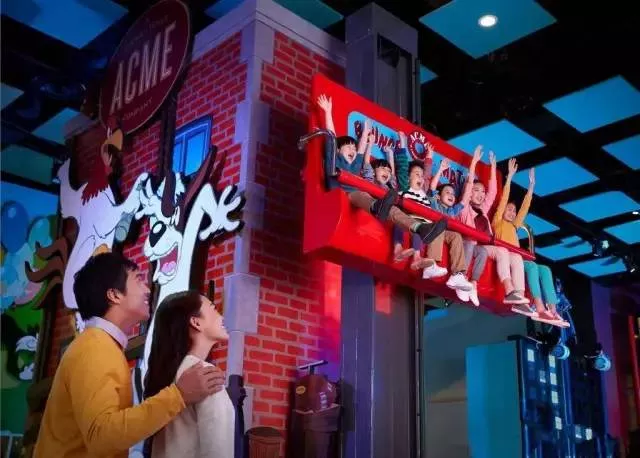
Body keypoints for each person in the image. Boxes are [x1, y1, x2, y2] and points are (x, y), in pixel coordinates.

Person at [34, 253, 225, 458]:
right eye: (138, 279)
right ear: (114, 295)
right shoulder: (95, 347)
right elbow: (101, 436)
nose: (147, 289)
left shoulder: (101, 345)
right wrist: (178, 395)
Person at [316, 94, 446, 245]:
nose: (353, 149)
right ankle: (376, 207)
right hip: (342, 194)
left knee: (392, 210)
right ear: (338, 150)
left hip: (363, 198)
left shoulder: (356, 164)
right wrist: (328, 112)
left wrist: (366, 132)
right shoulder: (334, 160)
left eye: (353, 147)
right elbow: (331, 138)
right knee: (363, 195)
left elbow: (361, 148)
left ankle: (420, 228)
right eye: (348, 147)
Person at [145, 291, 234, 458]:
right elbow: (218, 450)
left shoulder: (169, 375)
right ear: (196, 322)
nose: (221, 317)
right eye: (213, 309)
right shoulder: (206, 376)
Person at [492, 160, 569, 326]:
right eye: (509, 209)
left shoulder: (514, 225)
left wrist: (531, 186)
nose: (512, 213)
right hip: (507, 257)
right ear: (502, 210)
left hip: (518, 260)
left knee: (545, 269)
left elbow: (525, 208)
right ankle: (539, 307)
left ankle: (552, 310)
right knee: (533, 266)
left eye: (514, 211)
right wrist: (509, 177)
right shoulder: (497, 222)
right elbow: (504, 199)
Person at [455, 147, 530, 308]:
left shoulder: (483, 210)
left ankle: (512, 293)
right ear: (470, 193)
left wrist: (493, 167)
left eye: (483, 191)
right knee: (491, 249)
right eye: (476, 191)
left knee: (507, 253)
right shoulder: (464, 207)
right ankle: (465, 282)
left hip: (484, 246)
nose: (481, 194)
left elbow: (493, 192)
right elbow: (469, 185)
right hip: (469, 244)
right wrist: (474, 163)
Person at [423, 157, 480, 301]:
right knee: (440, 226)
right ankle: (430, 265)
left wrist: (473, 164)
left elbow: (465, 199)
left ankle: (457, 274)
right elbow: (432, 188)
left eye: (453, 194)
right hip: (432, 230)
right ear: (439, 196)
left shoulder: (452, 211)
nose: (451, 195)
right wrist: (441, 170)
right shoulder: (435, 203)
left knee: (456, 236)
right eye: (447, 192)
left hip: (445, 234)